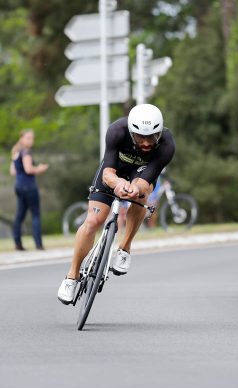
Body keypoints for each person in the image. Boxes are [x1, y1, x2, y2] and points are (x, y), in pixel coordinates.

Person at [57, 104, 175, 305]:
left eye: (151, 137)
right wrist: (118, 183)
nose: (146, 143)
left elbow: (145, 180)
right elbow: (107, 172)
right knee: (93, 220)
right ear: (131, 132)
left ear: (159, 132)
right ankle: (72, 276)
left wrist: (134, 188)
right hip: (114, 171)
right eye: (140, 137)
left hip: (140, 175)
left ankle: (124, 247)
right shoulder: (116, 131)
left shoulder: (167, 145)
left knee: (141, 195)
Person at [9, 129, 49, 251]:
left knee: (20, 215)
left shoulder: (16, 152)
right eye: (28, 138)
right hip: (29, 186)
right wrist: (40, 168)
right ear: (21, 139)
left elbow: (13, 172)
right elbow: (28, 169)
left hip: (19, 186)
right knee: (35, 214)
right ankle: (38, 244)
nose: (31, 141)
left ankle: (17, 243)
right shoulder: (26, 152)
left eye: (32, 138)